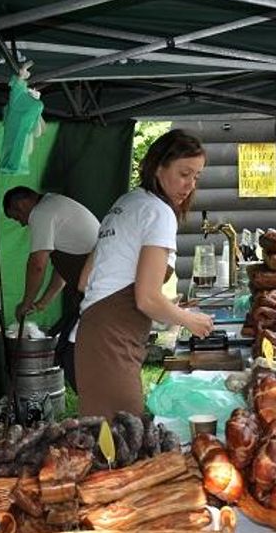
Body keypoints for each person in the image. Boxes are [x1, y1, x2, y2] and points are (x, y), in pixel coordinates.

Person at [74, 129, 214, 420]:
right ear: (158, 167)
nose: (189, 185)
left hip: (93, 335)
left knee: (107, 438)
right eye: (184, 173)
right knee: (121, 439)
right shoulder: (158, 212)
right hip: (112, 340)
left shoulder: (126, 203)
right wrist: (191, 320)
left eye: (196, 177)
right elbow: (147, 299)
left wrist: (167, 306)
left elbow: (86, 280)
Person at [3, 186, 100, 390]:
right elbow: (61, 267)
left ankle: (92, 396)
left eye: (17, 217)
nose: (22, 223)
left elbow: (38, 263)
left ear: (21, 204)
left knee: (70, 350)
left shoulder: (41, 213)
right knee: (66, 342)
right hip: (91, 289)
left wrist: (26, 302)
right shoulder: (54, 205)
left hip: (97, 291)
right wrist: (44, 301)